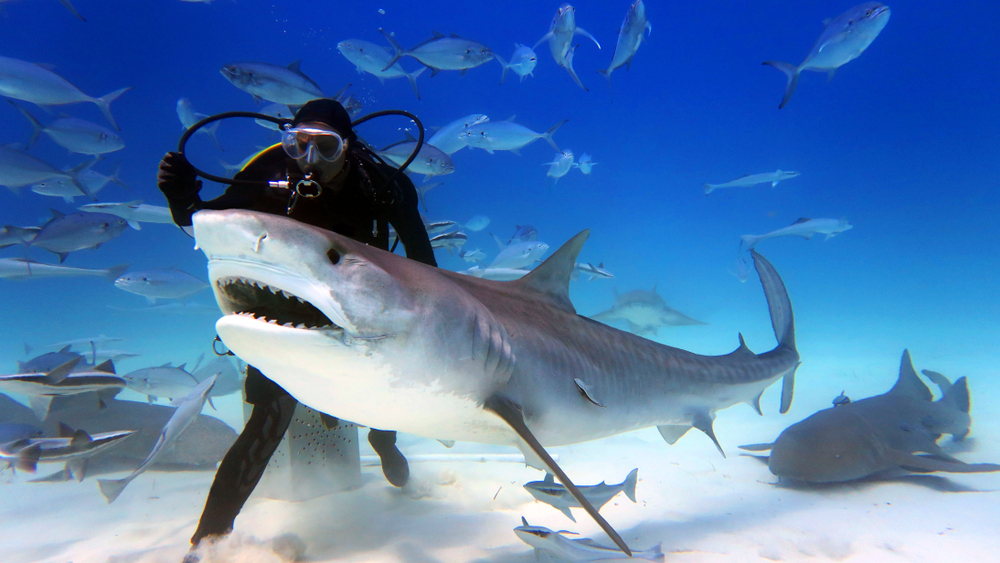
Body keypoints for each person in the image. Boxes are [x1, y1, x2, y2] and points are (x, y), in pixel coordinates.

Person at [157, 99, 437, 549]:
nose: (308, 159)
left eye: (325, 148)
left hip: (356, 308)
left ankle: (385, 443)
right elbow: (212, 227)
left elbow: (425, 266)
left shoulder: (384, 184)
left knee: (382, 398)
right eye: (299, 144)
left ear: (348, 147)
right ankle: (209, 542)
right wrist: (183, 200)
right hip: (287, 306)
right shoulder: (269, 170)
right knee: (267, 420)